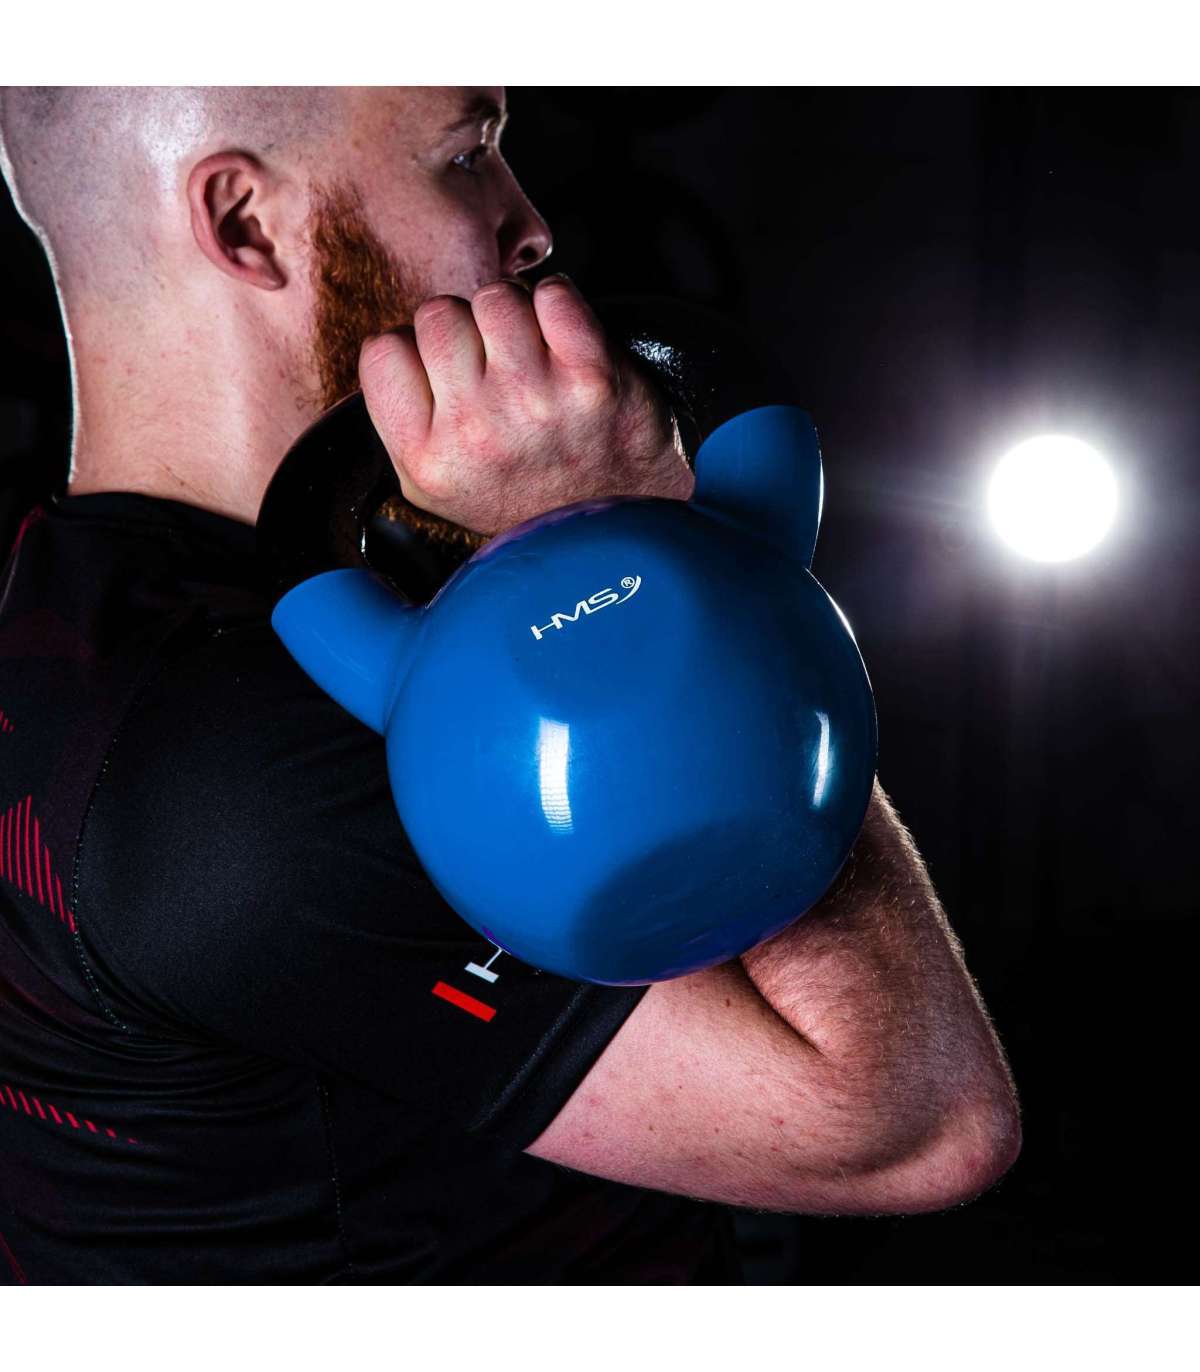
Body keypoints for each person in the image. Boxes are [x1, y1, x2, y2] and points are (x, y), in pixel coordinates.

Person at [0, 85, 1020, 1285]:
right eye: (467, 154)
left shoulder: (82, 603)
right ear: (247, 224)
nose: (530, 226)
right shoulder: (233, 768)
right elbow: (918, 1122)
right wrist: (644, 552)